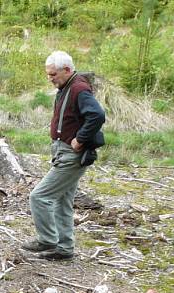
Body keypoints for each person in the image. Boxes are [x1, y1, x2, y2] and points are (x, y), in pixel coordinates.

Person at [22, 50, 106, 261]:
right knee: (62, 201)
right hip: (63, 152)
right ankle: (64, 248)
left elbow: (97, 115)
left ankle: (47, 241)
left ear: (67, 70)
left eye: (53, 75)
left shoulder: (78, 88)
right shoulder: (68, 86)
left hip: (71, 155)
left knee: (39, 197)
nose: (50, 79)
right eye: (48, 74)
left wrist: (80, 139)